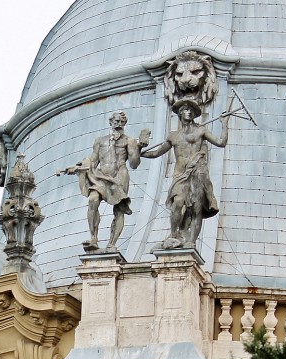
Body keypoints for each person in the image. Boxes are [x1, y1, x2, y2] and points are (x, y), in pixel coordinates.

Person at [142, 97, 231, 249]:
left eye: (191, 110)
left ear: (194, 114)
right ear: (180, 114)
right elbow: (157, 153)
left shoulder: (201, 131)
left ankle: (192, 242)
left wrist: (224, 124)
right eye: (185, 110)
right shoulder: (173, 136)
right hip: (180, 175)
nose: (188, 112)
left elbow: (221, 142)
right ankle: (173, 234)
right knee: (177, 203)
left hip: (198, 173)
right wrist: (140, 152)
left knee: (196, 209)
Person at [58, 111, 149, 252]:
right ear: (111, 122)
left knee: (119, 210)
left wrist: (139, 147)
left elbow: (134, 164)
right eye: (116, 121)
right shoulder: (100, 141)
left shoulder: (129, 141)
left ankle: (112, 244)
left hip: (120, 174)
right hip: (101, 175)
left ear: (124, 124)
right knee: (93, 200)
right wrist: (79, 166)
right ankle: (94, 238)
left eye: (121, 122)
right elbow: (93, 159)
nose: (118, 124)